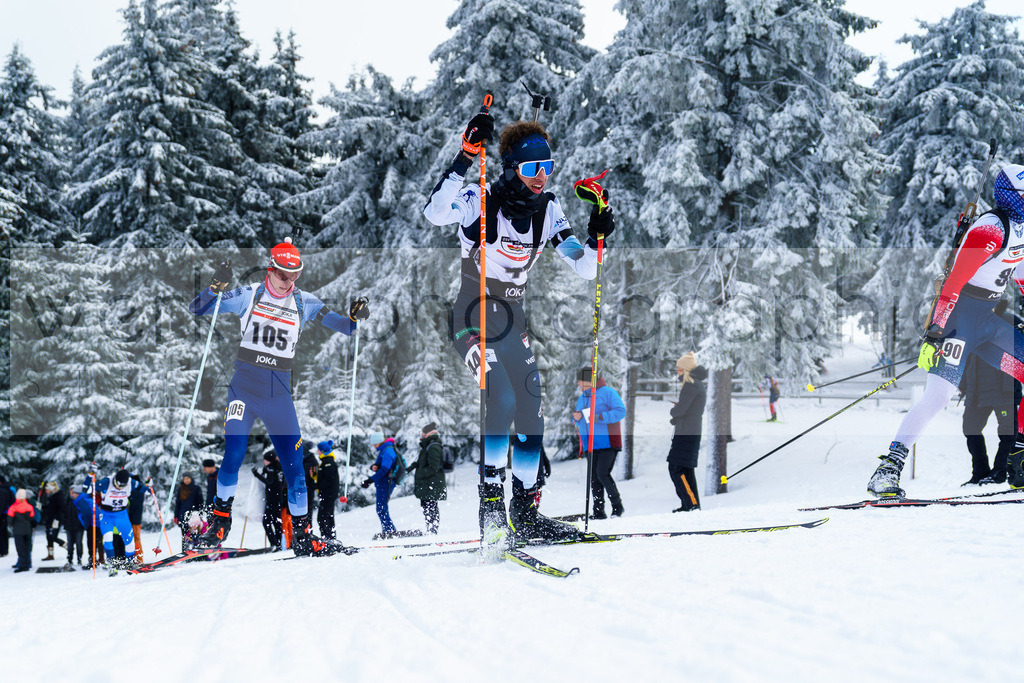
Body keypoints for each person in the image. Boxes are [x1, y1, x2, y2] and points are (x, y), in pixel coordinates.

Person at [423, 106, 612, 550]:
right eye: (532, 168)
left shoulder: (548, 208)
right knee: (501, 397)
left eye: (548, 167)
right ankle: (491, 506)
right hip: (471, 315)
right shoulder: (479, 199)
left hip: (512, 319)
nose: (542, 176)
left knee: (531, 406)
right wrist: (466, 153)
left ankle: (524, 512)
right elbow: (434, 213)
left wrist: (597, 236)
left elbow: (584, 268)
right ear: (512, 168)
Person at [188, 238, 368, 556]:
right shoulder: (250, 294)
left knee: (295, 467)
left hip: (278, 394)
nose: (289, 282)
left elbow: (345, 327)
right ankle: (219, 521)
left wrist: (354, 319)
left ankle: (301, 534)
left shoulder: (305, 302)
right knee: (234, 452)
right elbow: (198, 308)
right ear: (271, 270)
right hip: (244, 387)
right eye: (284, 275)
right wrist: (215, 287)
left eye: (295, 275)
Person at [868, 165, 1024, 496]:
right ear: (1012, 198)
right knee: (938, 397)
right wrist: (936, 330)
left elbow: (1021, 274)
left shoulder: (1021, 229)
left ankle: (1020, 458)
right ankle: (887, 470)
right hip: (959, 318)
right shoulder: (990, 230)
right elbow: (953, 281)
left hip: (988, 318)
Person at [573, 367, 626, 518]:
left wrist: (600, 417)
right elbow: (578, 417)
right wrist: (576, 418)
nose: (578, 384)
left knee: (602, 473)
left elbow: (620, 411)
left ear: (590, 381)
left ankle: (617, 507)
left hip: (608, 441)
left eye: (581, 381)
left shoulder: (608, 392)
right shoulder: (583, 397)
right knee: (594, 478)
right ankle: (598, 511)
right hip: (591, 443)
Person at [960, 353, 1019, 485]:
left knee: (1008, 432)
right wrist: (963, 383)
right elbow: (965, 356)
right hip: (975, 391)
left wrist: (1010, 388)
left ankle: (1000, 471)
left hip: (1003, 390)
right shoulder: (971, 333)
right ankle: (980, 472)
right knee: (970, 429)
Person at [668, 353, 708, 512]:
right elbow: (688, 408)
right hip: (689, 431)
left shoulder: (691, 384)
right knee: (684, 469)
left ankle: (691, 504)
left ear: (685, 369)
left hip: (686, 433)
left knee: (676, 468)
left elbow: (682, 410)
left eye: (679, 368)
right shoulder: (695, 384)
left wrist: (674, 410)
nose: (676, 371)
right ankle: (690, 504)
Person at [95, 469, 143, 575]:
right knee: (108, 539)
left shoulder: (131, 482)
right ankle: (112, 565)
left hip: (122, 516)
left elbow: (143, 489)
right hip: (107, 516)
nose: (119, 488)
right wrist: (90, 477)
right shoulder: (107, 482)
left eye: (122, 486)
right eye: (118, 485)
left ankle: (129, 564)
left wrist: (149, 486)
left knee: (129, 540)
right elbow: (88, 489)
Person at [410, 422, 447, 534]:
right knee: (428, 507)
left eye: (423, 432)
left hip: (431, 484)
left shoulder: (433, 446)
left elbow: (433, 467)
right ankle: (431, 529)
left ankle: (432, 531)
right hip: (429, 484)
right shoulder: (429, 445)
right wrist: (413, 467)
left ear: (427, 433)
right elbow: (423, 462)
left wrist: (420, 473)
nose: (421, 434)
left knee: (431, 507)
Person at [361, 431, 398, 539]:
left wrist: (370, 480)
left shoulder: (388, 451)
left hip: (387, 482)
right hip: (383, 483)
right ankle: (388, 530)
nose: (373, 446)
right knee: (381, 508)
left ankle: (390, 531)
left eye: (374, 443)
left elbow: (385, 469)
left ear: (379, 442)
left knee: (381, 508)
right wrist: (375, 466)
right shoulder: (384, 450)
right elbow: (381, 465)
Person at [252, 451, 285, 551]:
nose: (264, 462)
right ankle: (278, 544)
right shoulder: (280, 466)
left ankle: (274, 543)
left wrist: (257, 474)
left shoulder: (271, 468)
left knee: (266, 522)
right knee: (277, 522)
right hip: (280, 498)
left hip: (272, 499)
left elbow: (269, 482)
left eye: (265, 460)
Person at [173, 473, 205, 551]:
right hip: (183, 516)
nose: (186, 480)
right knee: (185, 536)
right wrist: (176, 516)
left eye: (188, 478)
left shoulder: (196, 488)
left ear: (191, 479)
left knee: (195, 535)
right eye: (185, 479)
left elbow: (200, 502)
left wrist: (200, 514)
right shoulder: (181, 489)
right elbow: (178, 503)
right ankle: (185, 552)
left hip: (194, 517)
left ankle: (196, 552)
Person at [7, 489, 36, 572]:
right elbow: (32, 517)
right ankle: (27, 563)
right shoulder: (29, 507)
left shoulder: (13, 507)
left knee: (20, 548)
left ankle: (22, 565)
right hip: (27, 529)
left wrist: (12, 524)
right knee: (27, 547)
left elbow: (10, 520)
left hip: (18, 530)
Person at [316, 441, 340, 540]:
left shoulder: (328, 463)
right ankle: (329, 538)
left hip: (328, 494)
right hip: (326, 494)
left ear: (322, 451)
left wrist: (316, 485)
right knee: (326, 516)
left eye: (318, 450)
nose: (317, 451)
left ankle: (328, 538)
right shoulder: (325, 462)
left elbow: (329, 480)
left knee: (323, 517)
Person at [40, 481, 67, 561]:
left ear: (51, 489)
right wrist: (42, 507)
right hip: (49, 519)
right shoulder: (50, 497)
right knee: (49, 536)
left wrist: (57, 519)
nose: (46, 491)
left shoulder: (58, 496)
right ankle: (50, 555)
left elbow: (61, 509)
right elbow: (49, 508)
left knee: (53, 536)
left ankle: (66, 545)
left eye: (47, 489)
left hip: (56, 520)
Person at [65, 485, 87, 568]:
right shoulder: (67, 501)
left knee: (78, 543)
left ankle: (79, 558)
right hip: (69, 526)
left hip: (78, 526)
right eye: (71, 491)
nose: (72, 493)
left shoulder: (80, 501)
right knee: (70, 544)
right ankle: (69, 559)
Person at [0, 475, 13, 557]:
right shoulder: (8, 489)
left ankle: (2, 550)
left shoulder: (2, 491)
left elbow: (1, 504)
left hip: (2, 514)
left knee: (1, 533)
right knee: (4, 532)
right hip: (6, 513)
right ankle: (4, 550)